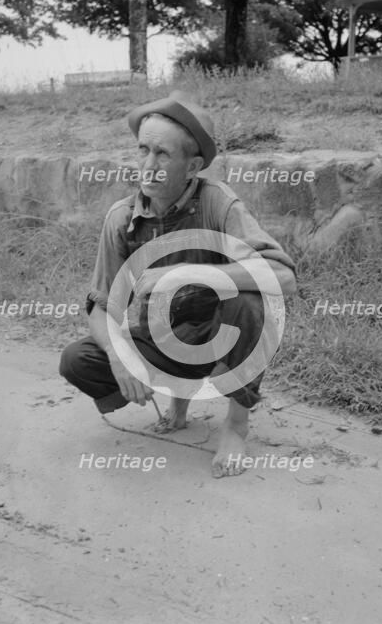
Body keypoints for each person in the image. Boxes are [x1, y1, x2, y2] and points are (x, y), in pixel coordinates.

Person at [60, 91, 297, 478]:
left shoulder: (218, 203)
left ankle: (236, 425)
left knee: (254, 304)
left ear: (193, 166)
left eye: (163, 155)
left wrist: (184, 274)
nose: (148, 166)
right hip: (167, 337)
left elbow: (283, 277)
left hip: (222, 330)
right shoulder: (122, 219)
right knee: (78, 360)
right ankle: (179, 398)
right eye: (143, 151)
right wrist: (121, 360)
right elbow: (101, 305)